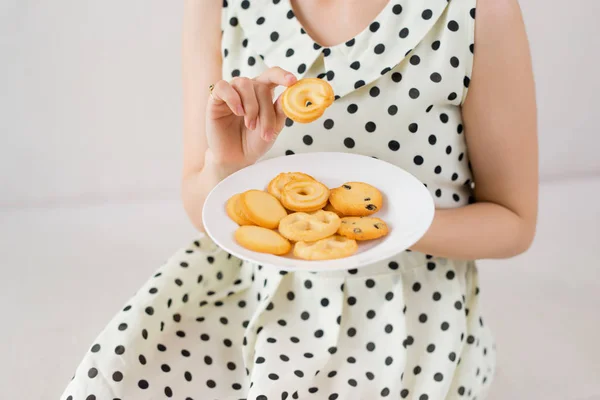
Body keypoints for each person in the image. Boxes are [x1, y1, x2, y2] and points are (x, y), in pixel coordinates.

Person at [61, 0, 538, 398]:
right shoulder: (218, 4)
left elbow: (515, 221)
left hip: (403, 309)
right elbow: (198, 205)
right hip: (247, 287)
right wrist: (226, 165)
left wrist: (386, 225)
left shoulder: (477, 10)